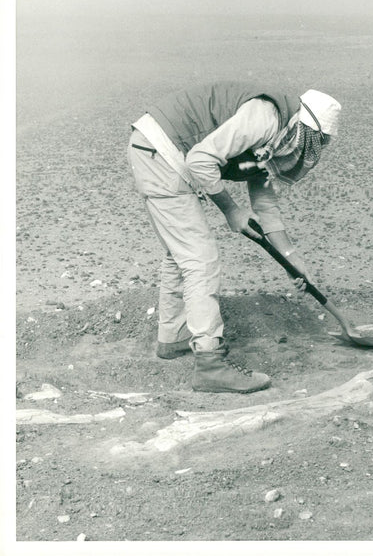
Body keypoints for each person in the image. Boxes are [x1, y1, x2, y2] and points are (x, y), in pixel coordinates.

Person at [127, 81, 341, 393]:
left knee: (182, 253)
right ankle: (211, 364)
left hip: (155, 148)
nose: (311, 150)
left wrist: (293, 263)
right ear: (304, 126)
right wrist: (231, 210)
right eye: (313, 141)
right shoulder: (266, 118)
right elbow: (200, 160)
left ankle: (174, 336)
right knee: (200, 258)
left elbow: (265, 204)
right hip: (160, 151)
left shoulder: (277, 138)